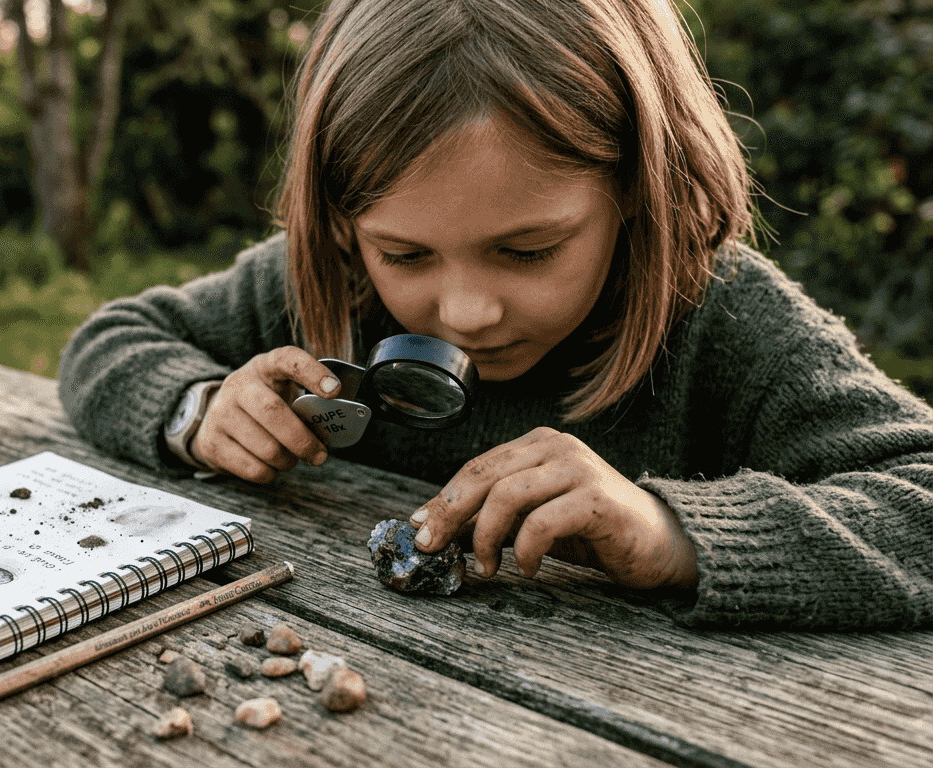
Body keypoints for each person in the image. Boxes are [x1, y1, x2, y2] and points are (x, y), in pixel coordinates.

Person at [58, 0, 933, 629]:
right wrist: (200, 410)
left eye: (528, 251)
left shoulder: (726, 323)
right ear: (340, 221)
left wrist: (674, 534)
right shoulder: (327, 286)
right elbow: (109, 341)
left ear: (637, 183)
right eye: (405, 254)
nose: (466, 313)